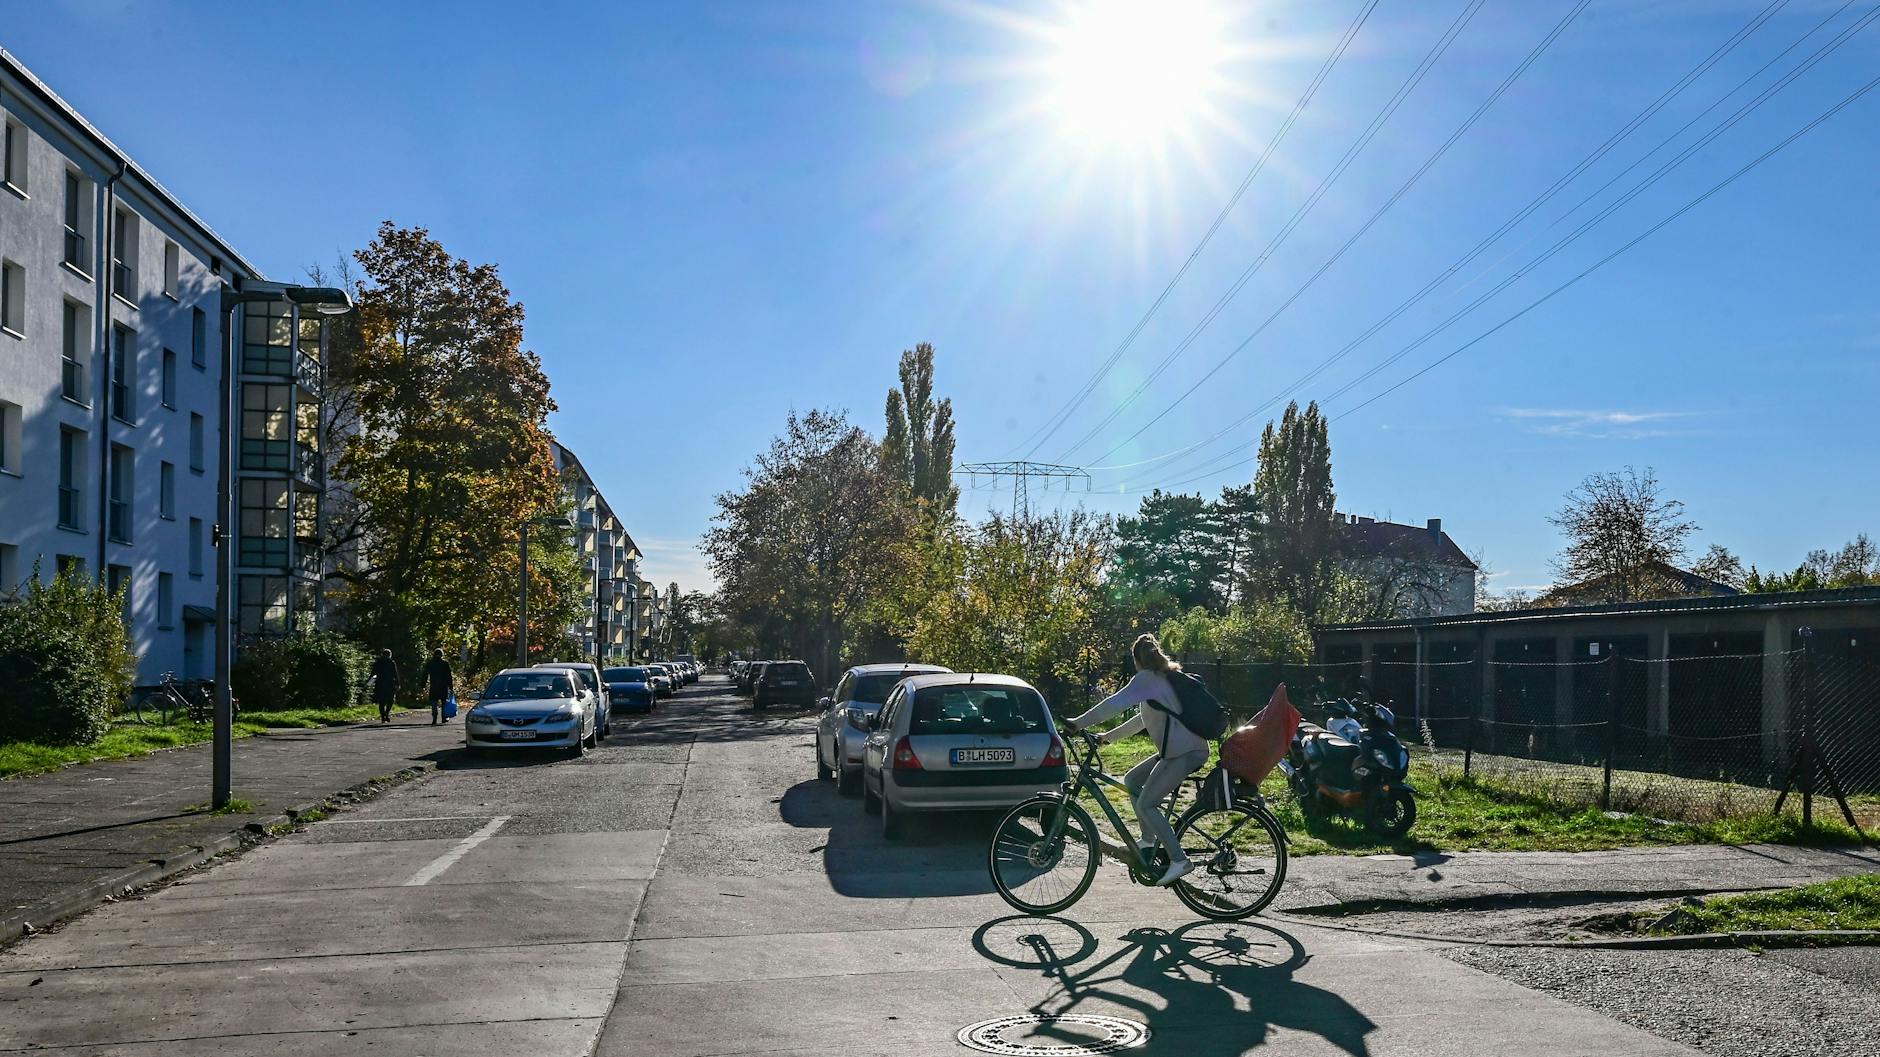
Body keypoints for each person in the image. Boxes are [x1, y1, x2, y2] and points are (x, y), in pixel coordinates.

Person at [1060, 633, 1207, 886]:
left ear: (1136, 660)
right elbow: (1141, 720)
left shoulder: (1148, 678)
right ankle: (1148, 840)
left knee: (1148, 804)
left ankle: (1179, 860)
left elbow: (1113, 704)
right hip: (1177, 750)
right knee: (1132, 780)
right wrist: (1107, 737)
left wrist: (1077, 723)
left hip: (1185, 752)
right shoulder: (1159, 679)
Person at [423, 648, 454, 725]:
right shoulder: (445, 664)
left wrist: (423, 684)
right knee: (444, 703)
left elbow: (425, 674)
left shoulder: (430, 663)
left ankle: (434, 718)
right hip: (443, 686)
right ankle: (443, 717)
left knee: (434, 702)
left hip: (434, 685)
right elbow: (449, 676)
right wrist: (451, 686)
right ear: (442, 655)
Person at [369, 648, 399, 724]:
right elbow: (395, 674)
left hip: (380, 684)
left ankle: (383, 716)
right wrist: (398, 683)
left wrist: (369, 682)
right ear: (390, 655)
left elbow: (373, 673)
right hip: (390, 684)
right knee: (391, 700)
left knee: (382, 702)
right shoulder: (391, 662)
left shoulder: (378, 662)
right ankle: (386, 713)